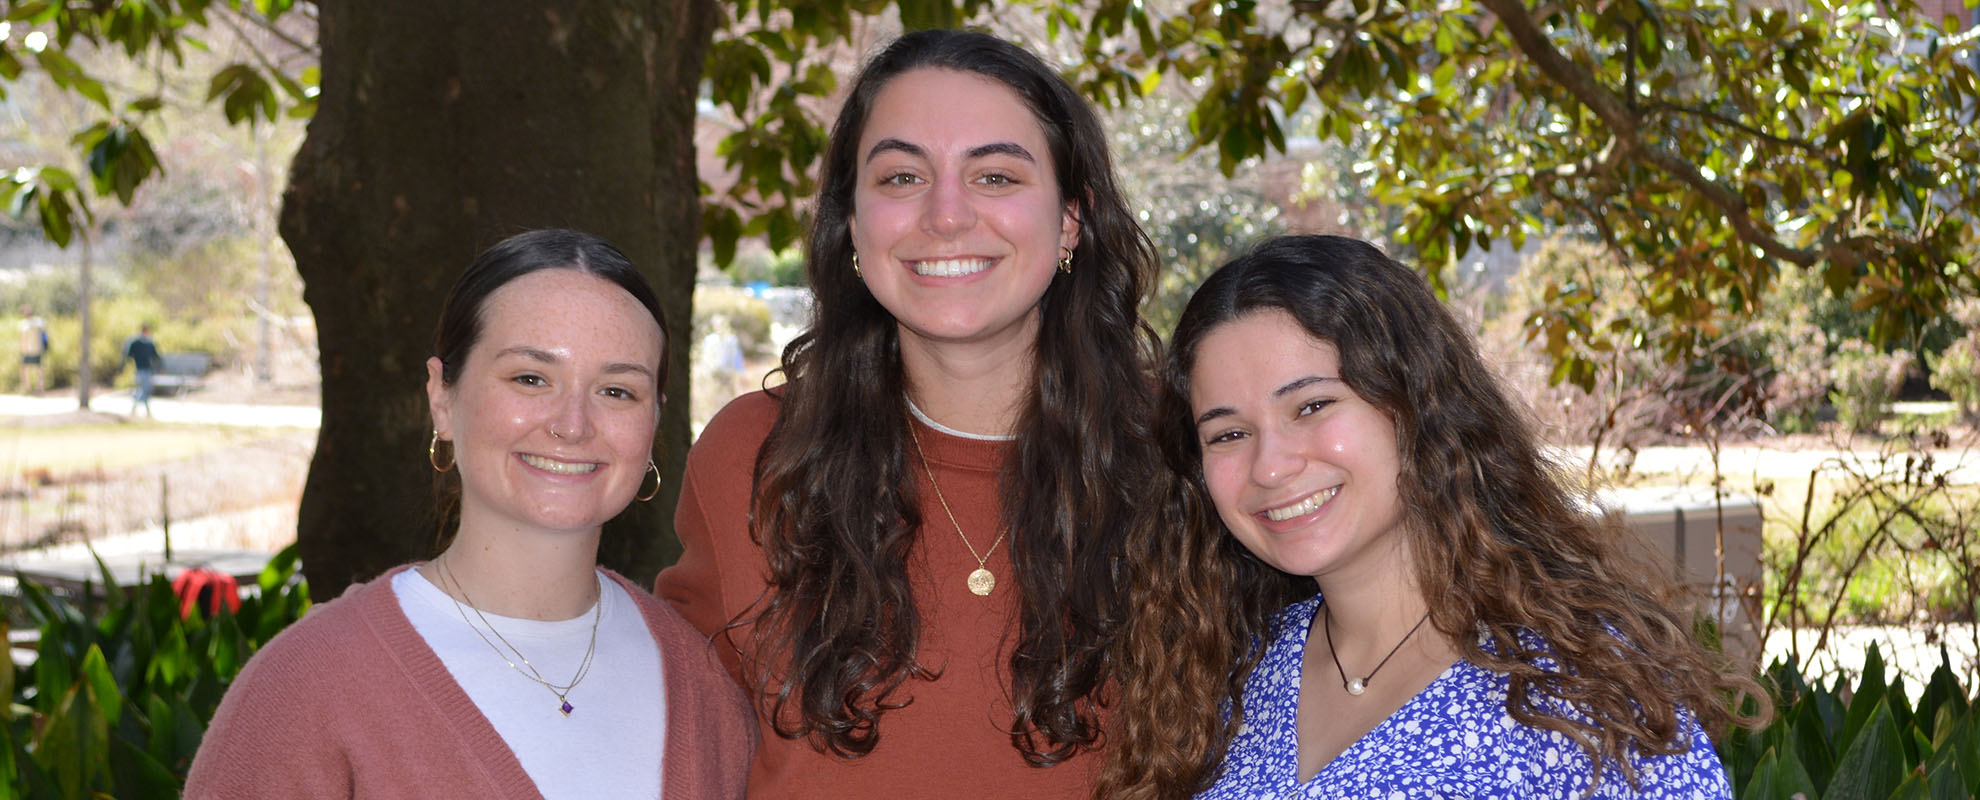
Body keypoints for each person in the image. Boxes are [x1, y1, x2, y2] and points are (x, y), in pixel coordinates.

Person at [655, 29, 1163, 797]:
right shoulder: (754, 454)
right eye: (900, 177)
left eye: (995, 176)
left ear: (1070, 220)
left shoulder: (1188, 457)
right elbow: (678, 745)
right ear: (853, 225)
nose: (947, 215)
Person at [1099, 235, 1765, 799]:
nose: (1270, 466)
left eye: (1311, 407)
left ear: (1415, 407)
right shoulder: (1230, 675)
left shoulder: (1579, 693)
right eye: (1228, 435)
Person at [187, 229, 754, 798]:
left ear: (655, 420)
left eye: (616, 391)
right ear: (442, 398)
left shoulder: (705, 683)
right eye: (530, 379)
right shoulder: (308, 689)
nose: (573, 424)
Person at [122, 323, 160, 417]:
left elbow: (155, 356)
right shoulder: (136, 343)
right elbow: (129, 355)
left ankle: (141, 410)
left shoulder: (149, 343)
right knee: (142, 390)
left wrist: (159, 367)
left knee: (145, 390)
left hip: (148, 370)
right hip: (139, 369)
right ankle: (141, 410)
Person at [17, 305, 47, 394]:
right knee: (27, 369)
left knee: (38, 369)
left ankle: (38, 388)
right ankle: (28, 388)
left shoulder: (36, 322)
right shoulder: (36, 322)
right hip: (30, 350)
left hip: (34, 349)